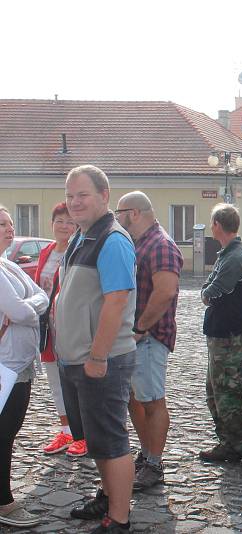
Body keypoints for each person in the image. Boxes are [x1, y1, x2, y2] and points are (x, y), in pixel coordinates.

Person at [56, 165, 137, 533]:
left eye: (82, 194)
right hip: (77, 357)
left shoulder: (112, 239)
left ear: (104, 196)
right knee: (98, 440)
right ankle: (107, 497)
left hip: (100, 359)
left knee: (112, 438)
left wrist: (98, 356)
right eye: (70, 195)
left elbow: (116, 300)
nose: (74, 202)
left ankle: (119, 518)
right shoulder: (83, 235)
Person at [115, 192, 183, 491]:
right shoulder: (142, 241)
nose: (116, 218)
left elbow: (166, 291)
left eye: (119, 213)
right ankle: (146, 455)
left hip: (150, 338)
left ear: (133, 213)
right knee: (137, 399)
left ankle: (154, 463)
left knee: (153, 401)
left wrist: (141, 327)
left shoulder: (160, 244)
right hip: (137, 338)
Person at [198, 204, 242, 475]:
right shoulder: (228, 253)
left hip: (231, 337)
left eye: (211, 223)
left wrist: (206, 293)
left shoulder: (235, 257)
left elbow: (211, 292)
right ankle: (228, 443)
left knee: (230, 394)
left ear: (217, 225)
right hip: (220, 334)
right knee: (214, 392)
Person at [0, 206, 48, 528]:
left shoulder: (8, 266)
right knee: (3, 434)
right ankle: (3, 502)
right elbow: (20, 311)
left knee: (9, 432)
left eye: (10, 224)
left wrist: (29, 306)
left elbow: (42, 295)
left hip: (20, 366)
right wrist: (31, 307)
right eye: (1, 224)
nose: (9, 229)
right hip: (6, 367)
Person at [34, 202, 86, 457]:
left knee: (76, 381)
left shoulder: (78, 252)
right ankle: (66, 429)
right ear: (52, 224)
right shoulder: (46, 252)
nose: (64, 226)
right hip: (47, 328)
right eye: (59, 221)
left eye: (69, 222)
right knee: (55, 380)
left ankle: (83, 433)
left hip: (70, 327)